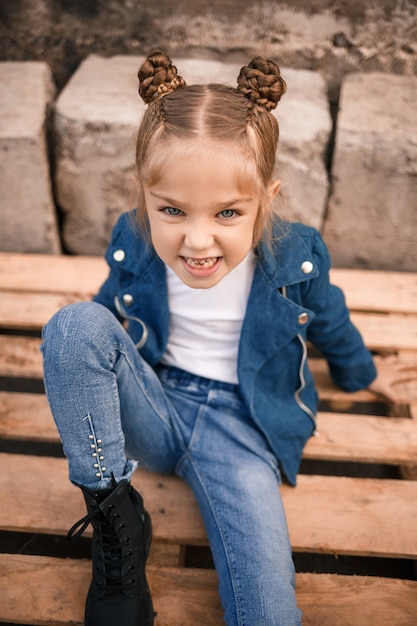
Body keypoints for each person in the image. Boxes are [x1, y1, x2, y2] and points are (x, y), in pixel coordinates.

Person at [41, 50, 405, 626]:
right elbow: (109, 312)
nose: (198, 240)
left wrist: (364, 372)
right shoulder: (133, 238)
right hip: (154, 406)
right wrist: (69, 361)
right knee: (72, 324)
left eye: (229, 213)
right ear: (145, 197)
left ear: (268, 196)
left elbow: (329, 315)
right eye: (174, 210)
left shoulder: (296, 255)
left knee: (266, 608)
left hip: (244, 426)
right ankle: (116, 517)